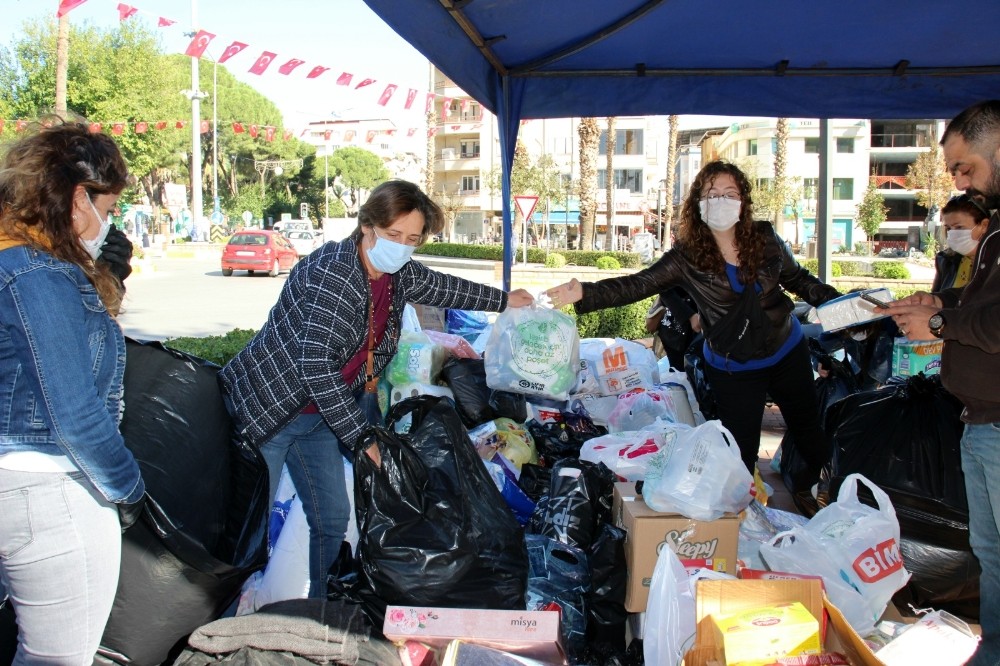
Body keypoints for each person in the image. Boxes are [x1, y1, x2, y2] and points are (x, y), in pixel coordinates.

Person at [219, 179, 533, 597]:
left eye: (412, 239)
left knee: (331, 519)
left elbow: (443, 286)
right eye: (393, 234)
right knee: (249, 531)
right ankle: (222, 613)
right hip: (270, 411)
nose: (402, 247)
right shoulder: (335, 272)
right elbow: (315, 364)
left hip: (317, 416)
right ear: (367, 225)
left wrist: (504, 300)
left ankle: (319, 609)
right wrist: (362, 438)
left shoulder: (395, 272)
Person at [546, 160, 840, 492]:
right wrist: (584, 292)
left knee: (809, 433)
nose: (721, 201)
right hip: (733, 367)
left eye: (730, 193)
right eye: (712, 194)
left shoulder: (766, 238)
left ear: (743, 201)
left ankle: (820, 495)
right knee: (740, 456)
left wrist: (846, 307)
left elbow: (800, 280)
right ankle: (744, 513)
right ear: (698, 203)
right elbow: (638, 284)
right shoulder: (686, 257)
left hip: (786, 349)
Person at [0, 120, 145, 662]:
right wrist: (127, 487)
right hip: (49, 491)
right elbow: (75, 413)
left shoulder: (17, 258)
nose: (109, 224)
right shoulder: (36, 274)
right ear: (79, 198)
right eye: (109, 209)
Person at [885, 100, 1000, 666]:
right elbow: (980, 303)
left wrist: (938, 323)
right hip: (980, 420)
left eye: (965, 167)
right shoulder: (995, 229)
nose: (959, 182)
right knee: (990, 553)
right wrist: (939, 301)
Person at [931, 193, 991, 292]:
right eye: (948, 228)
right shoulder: (945, 261)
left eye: (959, 227)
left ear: (984, 225)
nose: (953, 233)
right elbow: (935, 297)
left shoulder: (995, 262)